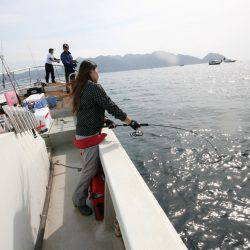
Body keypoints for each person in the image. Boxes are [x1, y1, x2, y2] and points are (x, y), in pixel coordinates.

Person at [71, 60, 140, 216]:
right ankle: (78, 200)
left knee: (89, 168)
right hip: (88, 136)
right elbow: (111, 106)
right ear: (90, 72)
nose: (98, 74)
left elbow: (88, 110)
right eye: (97, 71)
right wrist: (131, 122)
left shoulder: (80, 87)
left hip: (83, 133)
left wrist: (104, 121)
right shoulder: (93, 88)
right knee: (89, 171)